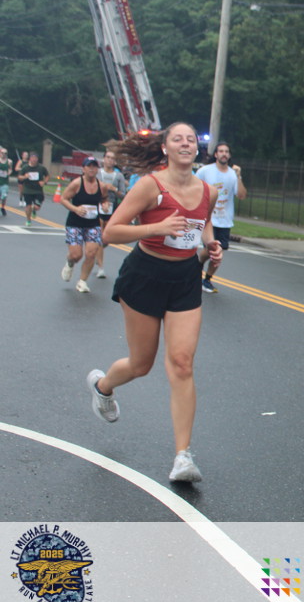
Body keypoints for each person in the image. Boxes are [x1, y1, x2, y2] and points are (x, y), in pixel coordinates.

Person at [86, 122, 222, 483]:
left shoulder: (207, 191)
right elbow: (111, 231)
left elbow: (202, 223)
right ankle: (103, 387)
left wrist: (210, 244)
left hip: (184, 279)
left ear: (197, 149)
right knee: (141, 364)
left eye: (190, 140)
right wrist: (155, 229)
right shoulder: (150, 186)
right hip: (144, 275)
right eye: (178, 139)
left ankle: (183, 457)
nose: (185, 144)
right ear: (165, 148)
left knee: (182, 363)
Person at [196, 142, 245, 293]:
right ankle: (197, 264)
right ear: (216, 154)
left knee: (218, 252)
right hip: (208, 218)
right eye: (221, 151)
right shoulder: (205, 171)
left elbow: (241, 195)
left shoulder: (232, 174)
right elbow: (194, 187)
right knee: (210, 249)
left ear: (229, 155)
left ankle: (207, 280)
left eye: (226, 151)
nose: (224, 154)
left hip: (225, 220)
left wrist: (239, 176)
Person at [60, 157, 109, 293]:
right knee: (76, 255)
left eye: (94, 166)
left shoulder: (102, 186)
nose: (92, 169)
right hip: (75, 223)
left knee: (91, 253)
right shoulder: (76, 184)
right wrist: (75, 209)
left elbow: (104, 199)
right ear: (83, 169)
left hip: (93, 223)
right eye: (89, 166)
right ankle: (70, 262)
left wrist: (105, 205)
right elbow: (63, 199)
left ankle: (82, 281)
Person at [95, 150, 128, 278]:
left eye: (112, 158)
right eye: (108, 157)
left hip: (112, 206)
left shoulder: (118, 176)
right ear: (104, 159)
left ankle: (96, 252)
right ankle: (101, 268)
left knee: (107, 238)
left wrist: (114, 189)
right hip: (98, 205)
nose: (110, 160)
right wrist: (101, 188)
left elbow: (123, 195)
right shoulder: (98, 173)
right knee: (100, 236)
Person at [17, 152, 49, 227]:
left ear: (37, 159)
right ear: (30, 159)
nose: (34, 159)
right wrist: (25, 177)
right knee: (28, 206)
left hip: (38, 190)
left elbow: (47, 175)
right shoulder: (25, 167)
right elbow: (19, 177)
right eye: (32, 158)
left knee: (37, 207)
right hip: (27, 190)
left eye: (35, 158)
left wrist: (44, 182)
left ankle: (34, 210)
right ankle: (28, 220)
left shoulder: (41, 168)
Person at [0, 146, 11, 216]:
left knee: (4, 196)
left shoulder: (9, 161)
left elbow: (10, 169)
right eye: (2, 153)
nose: (3, 154)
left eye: (5, 153)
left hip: (5, 182)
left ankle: (2, 207)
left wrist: (8, 173)